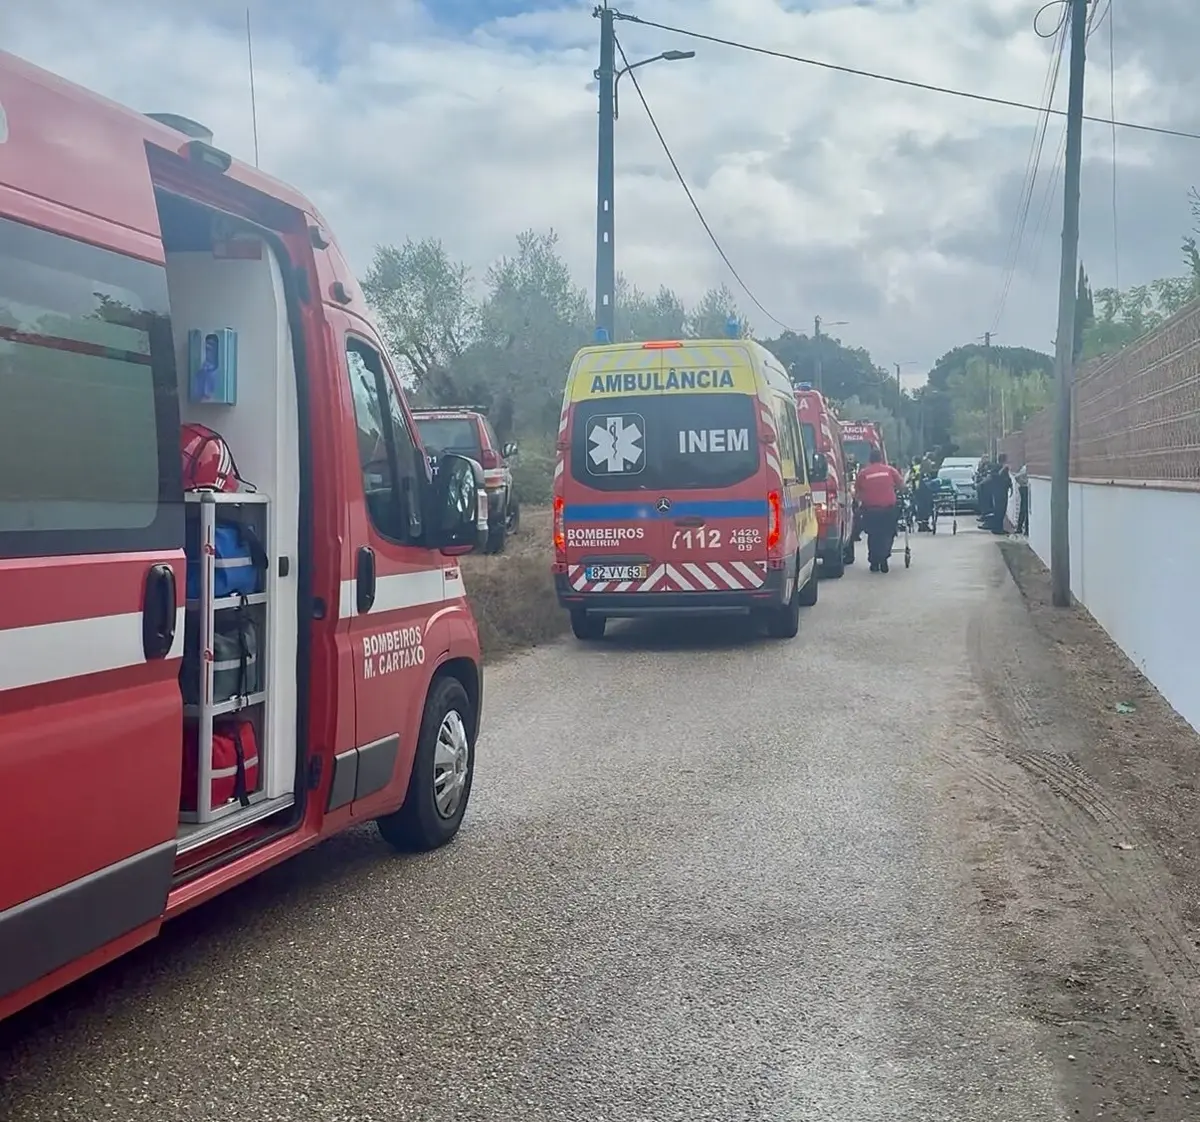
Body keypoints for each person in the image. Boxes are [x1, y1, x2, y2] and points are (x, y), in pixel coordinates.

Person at [854, 448, 905, 573]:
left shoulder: (863, 473)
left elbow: (857, 492)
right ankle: (884, 557)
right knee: (888, 534)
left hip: (870, 510)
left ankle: (874, 561)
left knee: (873, 535)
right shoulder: (890, 470)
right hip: (888, 510)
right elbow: (902, 486)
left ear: (870, 460)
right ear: (881, 458)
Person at [1015, 463, 1029, 535]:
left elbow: (1017, 476)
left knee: (1024, 509)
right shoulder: (1026, 468)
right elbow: (1017, 476)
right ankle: (1024, 529)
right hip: (1025, 488)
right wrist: (1024, 483)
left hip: (1023, 488)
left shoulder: (1024, 467)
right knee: (1025, 509)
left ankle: (1020, 528)